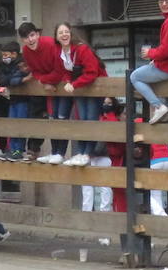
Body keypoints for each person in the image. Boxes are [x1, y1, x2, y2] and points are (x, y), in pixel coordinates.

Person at [50, 22, 105, 167]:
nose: (64, 35)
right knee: (81, 119)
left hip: (94, 87)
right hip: (80, 87)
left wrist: (73, 84)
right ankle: (80, 152)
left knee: (90, 119)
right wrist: (69, 81)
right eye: (60, 32)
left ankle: (87, 153)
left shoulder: (82, 49)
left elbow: (92, 72)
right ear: (56, 37)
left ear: (71, 33)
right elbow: (67, 71)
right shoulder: (61, 52)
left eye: (66, 31)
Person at [18, 22, 69, 162]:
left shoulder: (51, 44)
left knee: (61, 117)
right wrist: (43, 81)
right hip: (46, 85)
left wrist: (45, 81)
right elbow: (35, 71)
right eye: (26, 37)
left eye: (32, 35)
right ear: (22, 40)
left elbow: (61, 69)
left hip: (64, 81)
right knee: (41, 115)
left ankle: (60, 153)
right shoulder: (26, 52)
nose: (30, 40)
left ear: (38, 34)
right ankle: (35, 149)